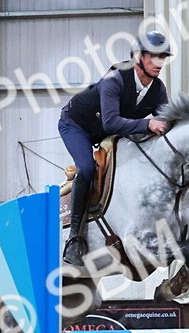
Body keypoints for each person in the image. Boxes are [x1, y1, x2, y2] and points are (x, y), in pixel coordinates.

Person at [58, 29, 173, 265]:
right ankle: (74, 239)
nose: (159, 63)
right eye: (154, 56)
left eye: (163, 57)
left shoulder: (158, 89)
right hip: (77, 125)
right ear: (137, 57)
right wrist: (148, 123)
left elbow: (166, 124)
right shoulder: (115, 79)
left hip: (109, 133)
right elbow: (111, 121)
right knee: (88, 168)